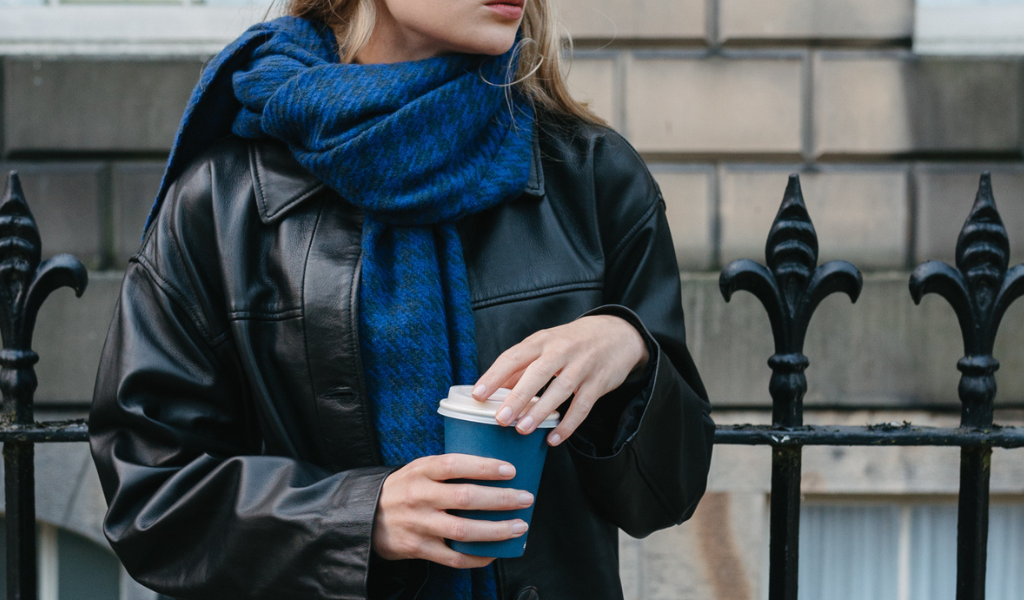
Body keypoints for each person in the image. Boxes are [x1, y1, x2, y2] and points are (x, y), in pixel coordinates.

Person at [88, 0, 715, 599]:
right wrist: (360, 520)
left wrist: (630, 353)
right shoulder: (224, 200)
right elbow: (152, 497)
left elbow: (668, 495)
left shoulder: (592, 176)